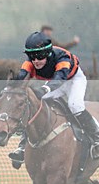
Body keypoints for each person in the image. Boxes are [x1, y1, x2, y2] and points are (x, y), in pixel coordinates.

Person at [8, 31, 99, 164]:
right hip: (56, 81)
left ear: (47, 53)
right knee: (36, 105)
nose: (36, 61)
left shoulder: (62, 58)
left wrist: (44, 89)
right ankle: (22, 147)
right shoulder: (29, 63)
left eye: (39, 56)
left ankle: (97, 138)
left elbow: (59, 79)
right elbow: (21, 78)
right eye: (32, 56)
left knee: (75, 105)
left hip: (73, 80)